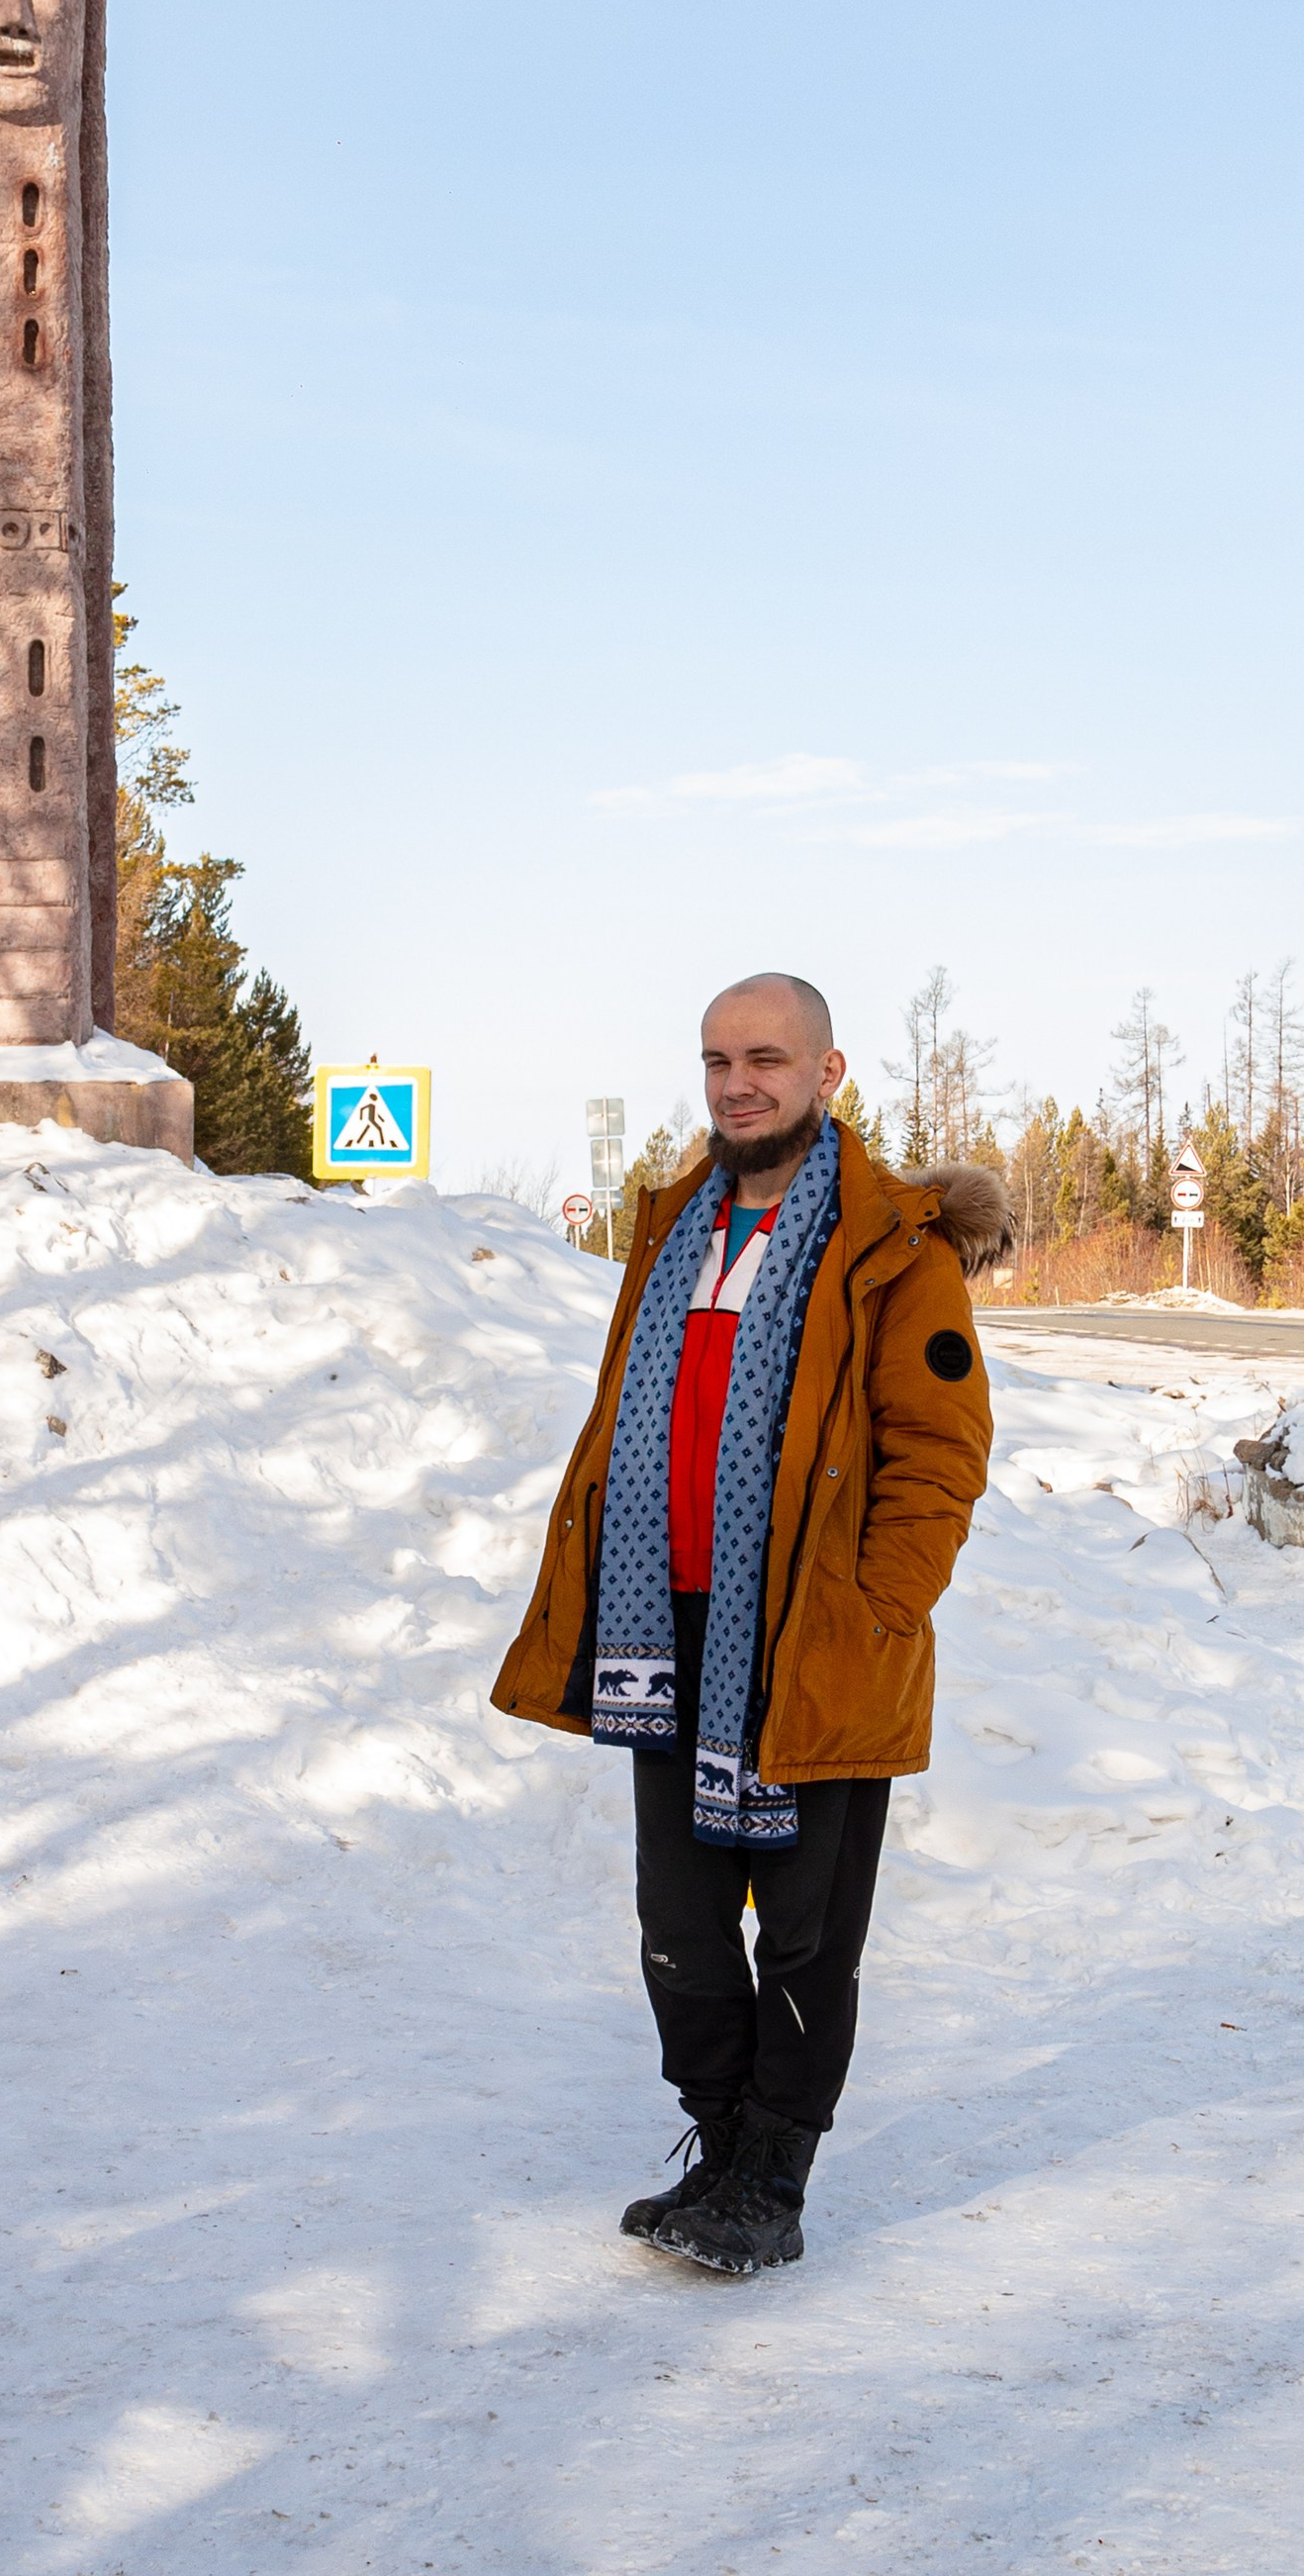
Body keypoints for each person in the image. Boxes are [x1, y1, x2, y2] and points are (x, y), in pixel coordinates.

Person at [493, 972, 1005, 2277]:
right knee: (678, 1915)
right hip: (660, 1633)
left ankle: (770, 2180)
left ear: (828, 1074)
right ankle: (717, 2146)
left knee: (804, 1928)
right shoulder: (675, 1226)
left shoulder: (894, 1242)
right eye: (719, 1058)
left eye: (767, 1058)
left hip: (812, 1644)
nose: (739, 1083)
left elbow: (938, 1457)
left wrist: (872, 1611)